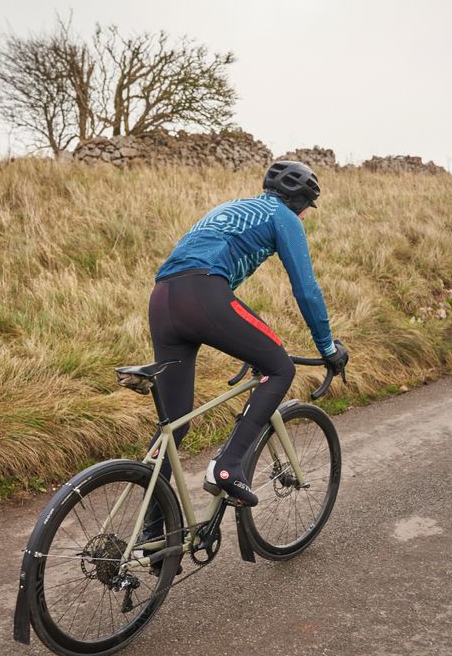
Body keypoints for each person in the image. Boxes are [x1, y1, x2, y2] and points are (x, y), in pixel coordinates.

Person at [147, 160, 349, 508]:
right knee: (281, 367)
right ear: (300, 204)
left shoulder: (232, 207)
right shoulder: (282, 216)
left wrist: (245, 346)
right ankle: (227, 467)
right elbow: (306, 290)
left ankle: (151, 534)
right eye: (305, 210)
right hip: (202, 294)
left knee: (175, 425)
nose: (303, 217)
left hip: (162, 300)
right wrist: (327, 347)